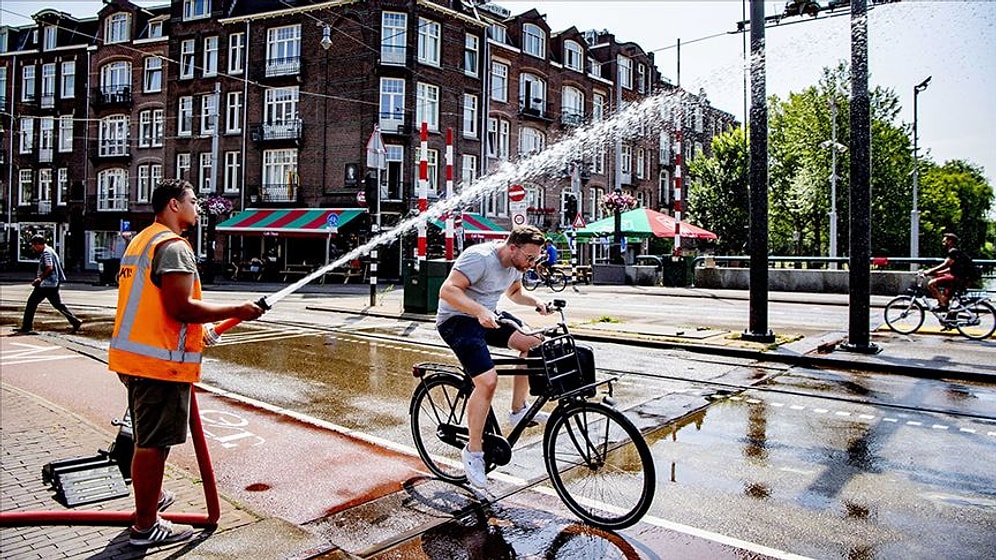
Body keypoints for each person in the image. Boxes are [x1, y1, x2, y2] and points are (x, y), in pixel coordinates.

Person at [108, 180, 266, 547]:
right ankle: (145, 526)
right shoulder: (173, 247)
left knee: (147, 440)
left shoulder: (143, 240)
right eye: (193, 201)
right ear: (174, 205)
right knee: (153, 445)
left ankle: (150, 500)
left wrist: (203, 328)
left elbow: (160, 306)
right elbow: (180, 307)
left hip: (135, 358)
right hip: (157, 365)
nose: (198, 207)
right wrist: (237, 309)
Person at [436, 225, 555, 489]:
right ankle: (473, 453)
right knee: (487, 381)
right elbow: (448, 290)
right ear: (513, 247)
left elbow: (514, 292)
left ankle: (517, 410)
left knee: (534, 343)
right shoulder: (480, 257)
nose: (532, 263)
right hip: (457, 320)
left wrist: (535, 301)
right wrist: (479, 311)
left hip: (487, 317)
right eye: (530, 257)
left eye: (536, 259)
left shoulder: (516, 265)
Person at [15, 235, 82, 334]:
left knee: (31, 303)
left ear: (38, 244)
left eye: (34, 245)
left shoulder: (46, 253)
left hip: (46, 284)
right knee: (57, 304)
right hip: (52, 283)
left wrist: (40, 278)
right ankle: (75, 321)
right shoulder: (50, 250)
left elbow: (49, 267)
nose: (33, 248)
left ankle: (27, 327)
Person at [924, 232, 971, 311]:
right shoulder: (956, 251)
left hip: (958, 278)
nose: (943, 242)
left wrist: (929, 271)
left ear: (950, 241)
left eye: (945, 240)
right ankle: (948, 313)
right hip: (962, 278)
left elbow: (946, 264)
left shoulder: (953, 252)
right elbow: (951, 268)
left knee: (931, 284)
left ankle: (942, 304)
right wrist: (938, 273)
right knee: (945, 297)